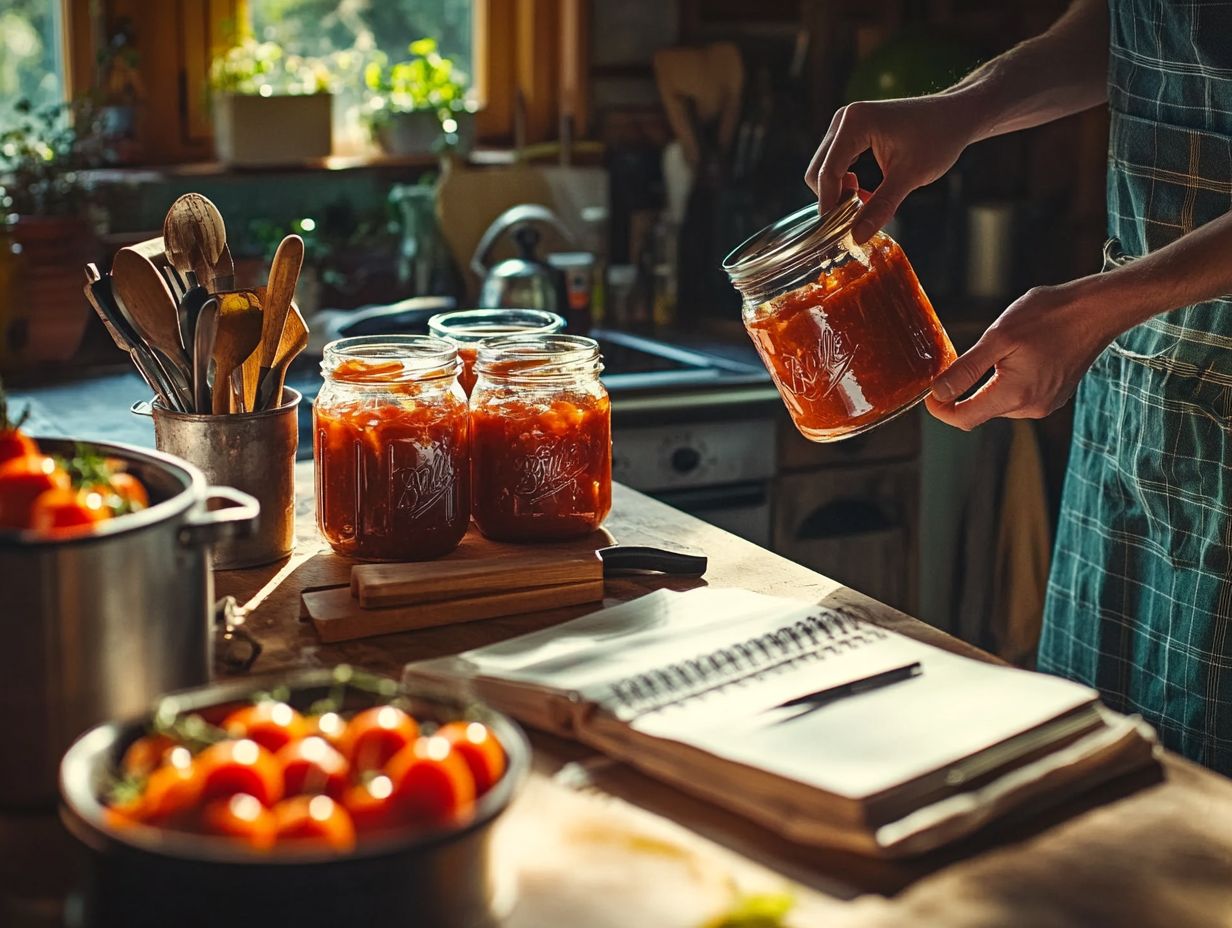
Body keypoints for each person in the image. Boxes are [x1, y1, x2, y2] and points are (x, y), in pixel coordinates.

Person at [806, 0, 1232, 774]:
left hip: (1174, 358)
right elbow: (1132, 25)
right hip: (1134, 392)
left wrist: (1107, 303)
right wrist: (961, 110)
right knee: (1093, 780)